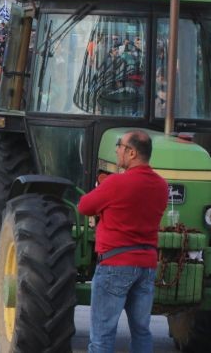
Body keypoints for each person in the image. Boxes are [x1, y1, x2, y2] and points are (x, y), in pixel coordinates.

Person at [78, 130, 168, 352]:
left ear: (132, 152)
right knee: (141, 331)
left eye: (119, 145)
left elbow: (84, 206)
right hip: (146, 265)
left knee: (102, 335)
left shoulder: (115, 183)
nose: (117, 150)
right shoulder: (161, 186)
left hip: (114, 264)